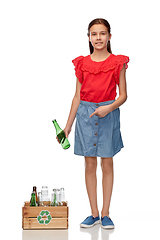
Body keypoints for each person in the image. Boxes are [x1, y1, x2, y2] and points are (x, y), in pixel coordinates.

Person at [63, 18, 129, 229]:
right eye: (94, 34)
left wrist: (108, 108)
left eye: (102, 33)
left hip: (108, 114)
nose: (98, 38)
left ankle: (106, 213)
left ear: (109, 36)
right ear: (89, 37)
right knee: (89, 164)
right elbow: (77, 97)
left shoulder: (117, 62)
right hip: (85, 116)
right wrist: (68, 126)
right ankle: (93, 214)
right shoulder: (82, 63)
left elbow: (124, 95)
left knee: (107, 163)